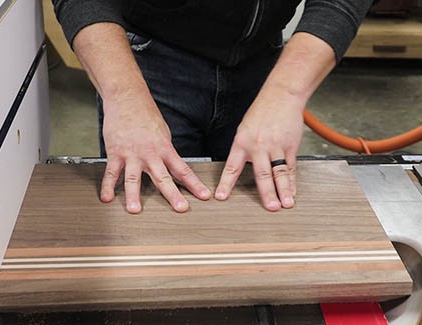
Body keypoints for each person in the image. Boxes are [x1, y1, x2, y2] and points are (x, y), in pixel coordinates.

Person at [52, 0, 372, 213]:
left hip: (263, 59)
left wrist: (286, 92)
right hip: (147, 59)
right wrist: (123, 94)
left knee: (261, 226)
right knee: (150, 232)